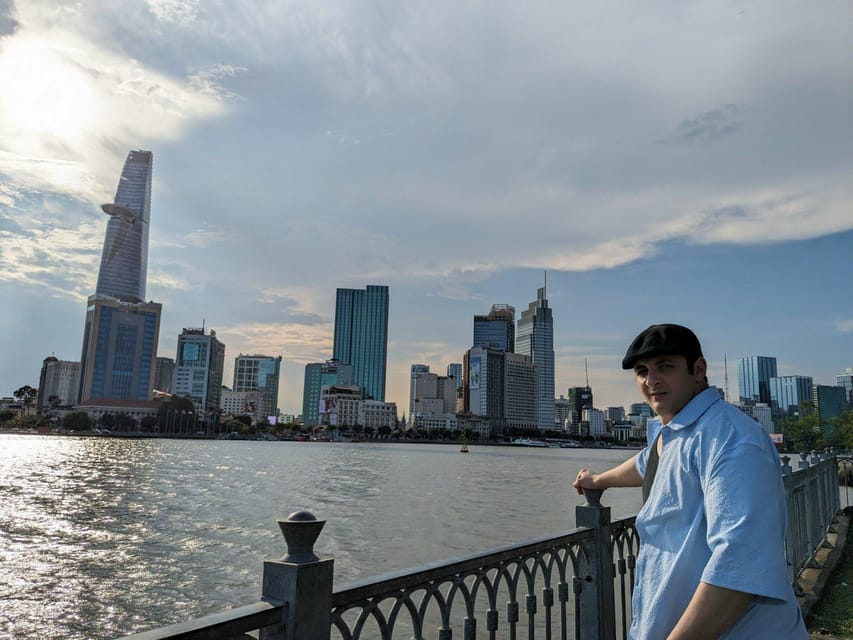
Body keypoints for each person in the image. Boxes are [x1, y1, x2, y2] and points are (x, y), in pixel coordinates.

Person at [573, 324, 808, 640]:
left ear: (698, 370)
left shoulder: (732, 441)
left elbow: (738, 571)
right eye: (642, 371)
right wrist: (599, 480)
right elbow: (647, 463)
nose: (651, 380)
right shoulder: (673, 432)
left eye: (665, 367)